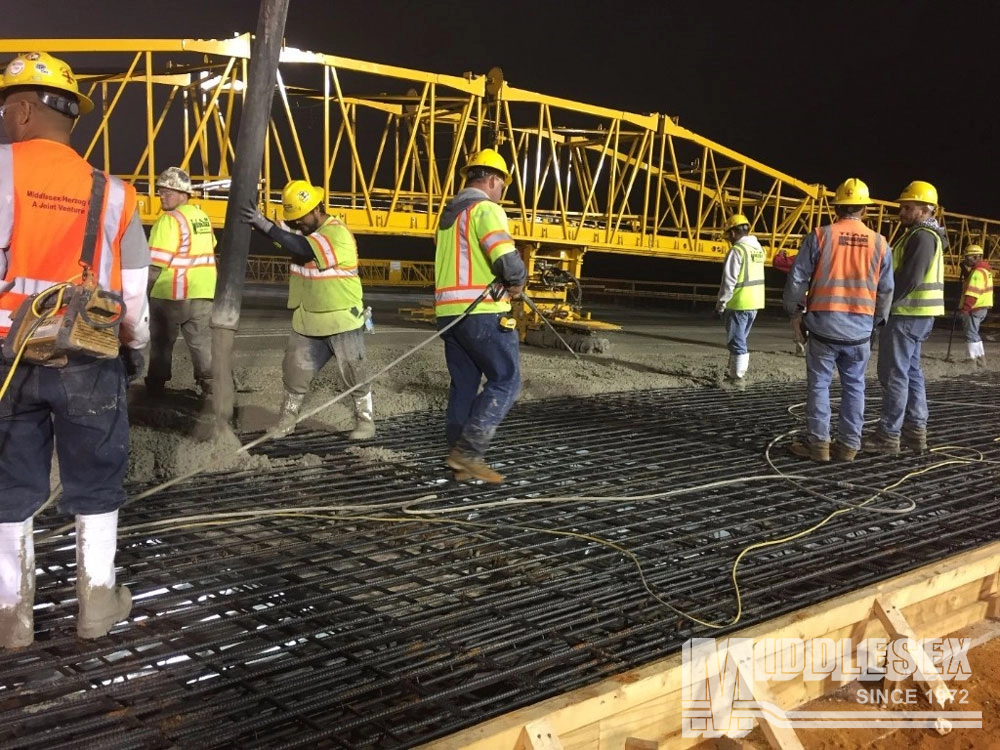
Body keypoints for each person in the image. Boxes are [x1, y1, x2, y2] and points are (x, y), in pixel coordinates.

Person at [0, 53, 149, 648]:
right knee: (97, 479)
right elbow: (133, 301)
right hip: (89, 359)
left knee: (10, 484)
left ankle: (11, 616)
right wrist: (130, 349)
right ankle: (96, 605)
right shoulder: (114, 194)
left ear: (24, 109)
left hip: (8, 359)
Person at [241, 180, 375, 440]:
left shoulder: (336, 233)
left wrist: (265, 224)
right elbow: (283, 237)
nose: (297, 224)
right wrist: (257, 220)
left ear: (316, 209)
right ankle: (286, 422)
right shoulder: (302, 232)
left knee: (354, 373)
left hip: (342, 319)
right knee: (294, 372)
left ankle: (366, 422)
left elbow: (301, 248)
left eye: (300, 218)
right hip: (307, 319)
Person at [783, 178, 893, 462]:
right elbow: (886, 291)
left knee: (819, 386)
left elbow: (797, 278)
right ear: (864, 210)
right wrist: (875, 323)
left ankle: (819, 445)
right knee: (855, 387)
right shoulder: (881, 244)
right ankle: (848, 447)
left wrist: (795, 313)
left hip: (823, 328)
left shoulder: (821, 236)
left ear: (836, 208)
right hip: (859, 332)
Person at [435, 148, 527, 483]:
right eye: (502, 186)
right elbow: (504, 256)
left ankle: (456, 457)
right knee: (506, 380)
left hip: (449, 315)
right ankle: (469, 453)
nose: (502, 193)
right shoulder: (486, 209)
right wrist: (518, 280)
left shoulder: (448, 217)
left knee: (464, 385)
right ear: (491, 180)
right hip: (482, 312)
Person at [866, 181, 947, 455]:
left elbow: (909, 278)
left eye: (908, 207)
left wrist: (883, 306)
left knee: (893, 374)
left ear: (925, 209)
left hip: (906, 316)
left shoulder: (922, 237)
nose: (901, 211)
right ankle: (915, 431)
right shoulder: (922, 233)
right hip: (917, 316)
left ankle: (888, 435)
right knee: (911, 373)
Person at [145, 166, 217, 398]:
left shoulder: (168, 221)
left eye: (168, 191)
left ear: (184, 194)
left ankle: (156, 385)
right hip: (203, 292)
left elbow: (156, 264)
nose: (162, 196)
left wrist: (142, 293)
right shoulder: (202, 217)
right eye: (160, 191)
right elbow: (210, 246)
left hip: (171, 294)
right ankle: (209, 385)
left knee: (162, 342)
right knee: (201, 342)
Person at [715, 213, 765, 387]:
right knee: (740, 339)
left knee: (736, 341)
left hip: (739, 302)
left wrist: (721, 304)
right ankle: (734, 371)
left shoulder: (737, 251)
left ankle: (736, 379)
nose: (728, 239)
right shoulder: (757, 249)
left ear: (734, 233)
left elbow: (729, 281)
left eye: (728, 235)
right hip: (755, 302)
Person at [958, 243, 993, 366]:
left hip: (974, 307)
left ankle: (971, 360)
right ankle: (980, 358)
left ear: (976, 257)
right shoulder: (984, 270)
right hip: (982, 307)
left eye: (968, 257)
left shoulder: (977, 272)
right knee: (974, 332)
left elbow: (973, 292)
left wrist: (965, 309)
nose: (965, 259)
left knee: (970, 333)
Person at [773, 249, 807, 356]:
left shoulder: (799, 259)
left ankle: (799, 340)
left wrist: (780, 255)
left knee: (795, 317)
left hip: (797, 295)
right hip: (815, 296)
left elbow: (778, 263)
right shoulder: (822, 261)